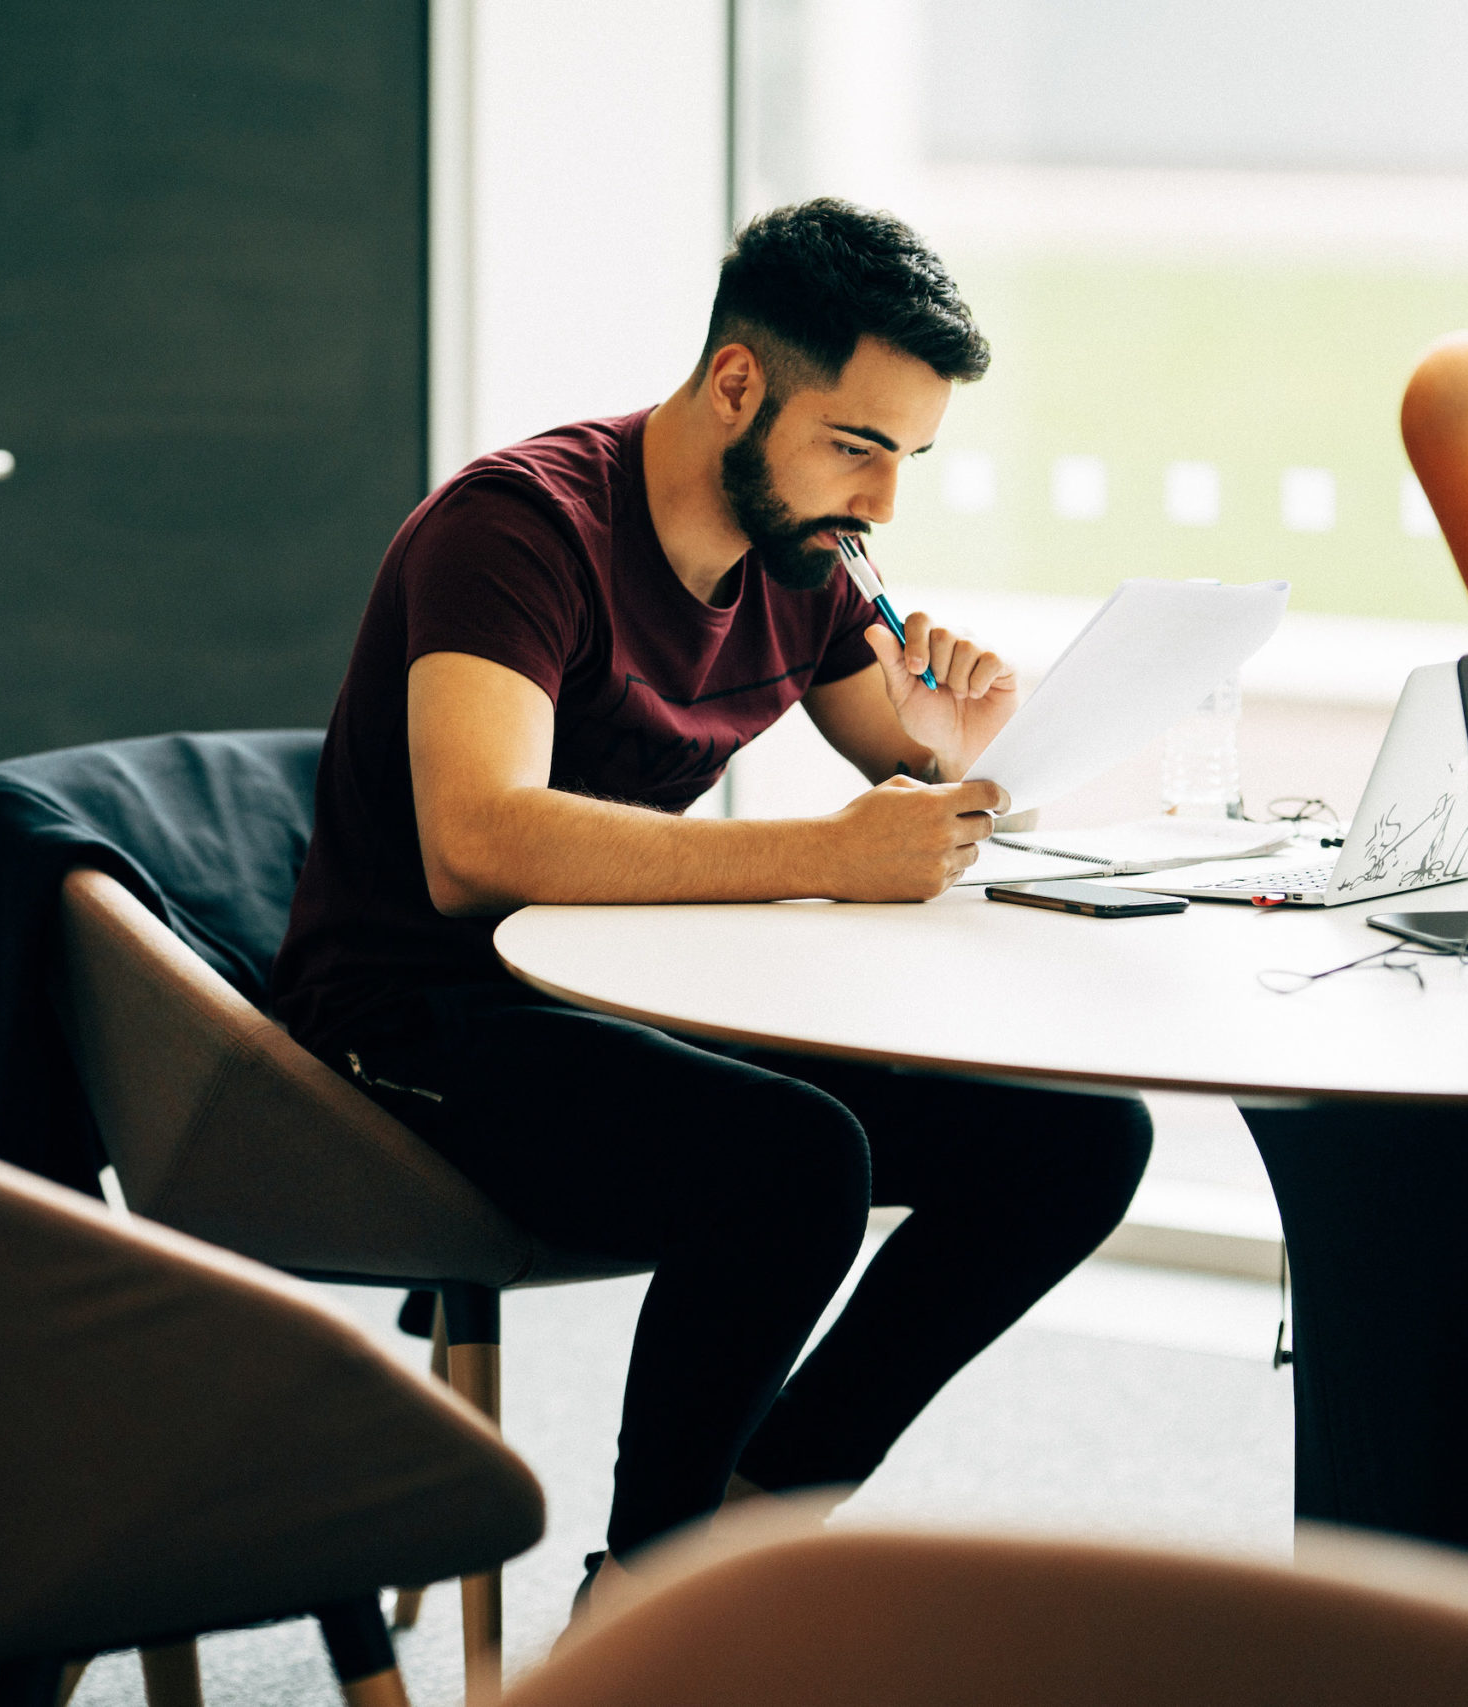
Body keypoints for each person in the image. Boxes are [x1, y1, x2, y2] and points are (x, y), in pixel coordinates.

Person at [269, 198, 1152, 1609]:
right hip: (410, 1021)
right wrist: (826, 852)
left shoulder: (797, 553)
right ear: (738, 382)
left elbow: (900, 770)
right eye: (859, 446)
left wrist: (958, 753)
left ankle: (738, 1542)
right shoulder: (518, 529)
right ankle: (647, 1610)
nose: (880, 501)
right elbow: (476, 844)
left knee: (1076, 1140)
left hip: (615, 1001)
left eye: (910, 459)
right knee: (792, 1166)